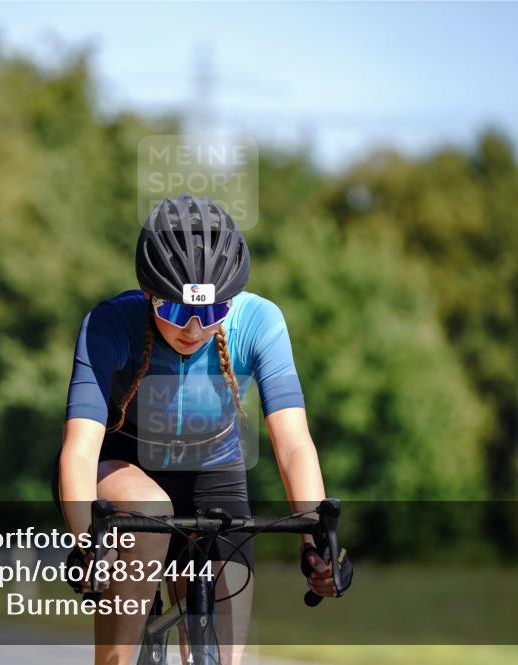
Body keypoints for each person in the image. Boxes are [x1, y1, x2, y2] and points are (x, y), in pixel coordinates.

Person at [54, 193, 341, 665]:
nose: (192, 327)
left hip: (215, 476)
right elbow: (79, 451)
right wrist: (90, 546)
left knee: (224, 654)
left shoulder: (261, 321)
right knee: (150, 510)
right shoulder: (110, 323)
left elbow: (293, 445)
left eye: (211, 313)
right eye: (174, 311)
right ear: (149, 296)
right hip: (121, 469)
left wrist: (316, 543)